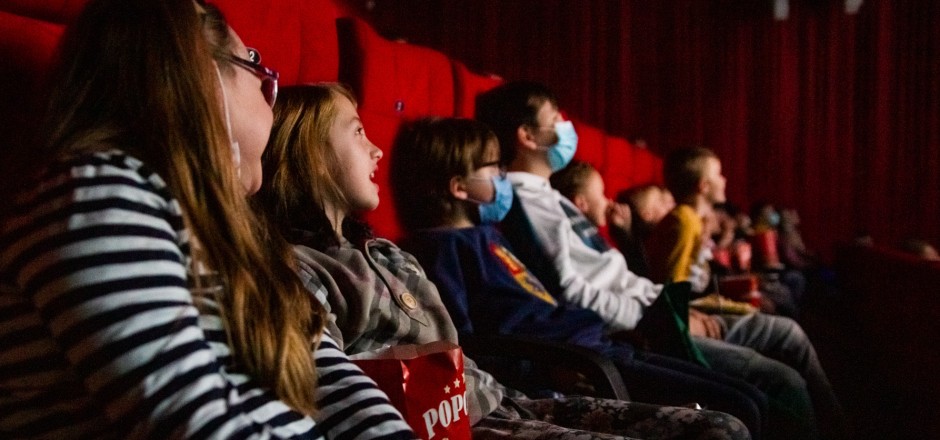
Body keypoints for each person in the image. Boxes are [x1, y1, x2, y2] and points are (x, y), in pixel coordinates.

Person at [0, 1, 415, 438]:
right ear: (202, 76)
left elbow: (334, 382)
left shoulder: (236, 237)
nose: (270, 90)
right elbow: (192, 422)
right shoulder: (94, 193)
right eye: (255, 66)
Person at [255, 83, 752, 440]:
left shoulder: (391, 253)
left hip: (504, 392)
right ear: (312, 156)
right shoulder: (301, 269)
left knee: (724, 424)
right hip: (475, 414)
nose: (378, 148)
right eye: (359, 132)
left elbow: (454, 347)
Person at [475, 80, 833, 439]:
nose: (565, 127)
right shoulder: (524, 203)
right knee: (777, 378)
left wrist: (666, 305)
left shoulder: (551, 197)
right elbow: (568, 290)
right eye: (555, 119)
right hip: (632, 329)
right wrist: (657, 316)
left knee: (780, 348)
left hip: (651, 313)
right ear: (526, 135)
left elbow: (614, 273)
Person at [645, 147, 845, 439]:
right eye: (718, 174)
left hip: (692, 311)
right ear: (703, 186)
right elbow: (669, 287)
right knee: (788, 338)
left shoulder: (692, 220)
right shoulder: (683, 221)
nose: (724, 180)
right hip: (682, 326)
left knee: (787, 329)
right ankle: (835, 426)